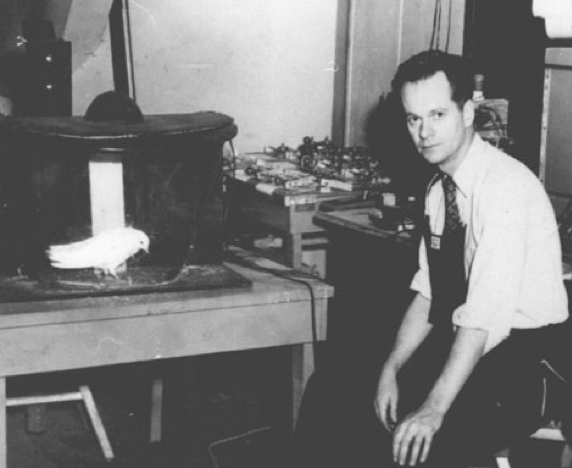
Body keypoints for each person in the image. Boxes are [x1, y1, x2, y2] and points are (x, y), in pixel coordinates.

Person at [373, 49, 569, 467]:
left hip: (532, 355)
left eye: (437, 115)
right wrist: (391, 366)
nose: (423, 131)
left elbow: (485, 316)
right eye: (413, 118)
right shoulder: (438, 189)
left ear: (466, 112)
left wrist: (434, 409)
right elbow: (429, 291)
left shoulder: (504, 186)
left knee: (437, 439)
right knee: (348, 397)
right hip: (473, 337)